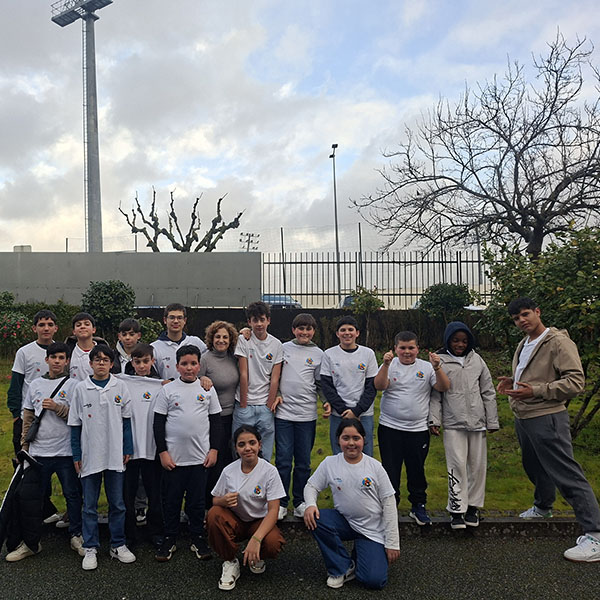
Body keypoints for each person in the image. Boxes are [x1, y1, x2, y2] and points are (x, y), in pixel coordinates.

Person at [498, 297, 600, 562]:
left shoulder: (558, 342)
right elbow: (535, 375)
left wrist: (536, 390)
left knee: (566, 473)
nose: (522, 321)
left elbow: (575, 382)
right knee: (534, 466)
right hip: (524, 416)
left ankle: (595, 534)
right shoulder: (524, 343)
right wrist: (514, 381)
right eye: (516, 318)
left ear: (537, 312)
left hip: (547, 417)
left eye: (525, 314)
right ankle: (543, 507)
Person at [6, 343, 83, 562]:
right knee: (31, 498)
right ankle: (31, 543)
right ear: (47, 360)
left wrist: (58, 408)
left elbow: (78, 418)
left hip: (66, 452)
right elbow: (28, 416)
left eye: (61, 358)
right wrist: (24, 447)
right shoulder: (35, 385)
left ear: (67, 361)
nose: (57, 361)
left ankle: (76, 535)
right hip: (39, 453)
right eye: (53, 357)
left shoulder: (75, 386)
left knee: (73, 495)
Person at [304, 418, 400, 590]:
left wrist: (392, 543)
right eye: (346, 438)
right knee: (316, 518)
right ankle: (342, 567)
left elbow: (389, 503)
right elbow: (311, 486)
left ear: (364, 439)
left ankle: (362, 553)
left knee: (373, 581)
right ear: (338, 440)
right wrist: (310, 504)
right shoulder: (330, 463)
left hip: (372, 531)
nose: (351, 443)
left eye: (356, 438)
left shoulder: (375, 467)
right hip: (345, 522)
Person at [68, 345, 136, 570]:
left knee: (118, 504)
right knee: (89, 505)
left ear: (111, 364)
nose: (101, 363)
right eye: (97, 360)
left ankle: (118, 544)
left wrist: (127, 447)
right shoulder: (81, 388)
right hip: (90, 455)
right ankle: (90, 547)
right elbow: (75, 425)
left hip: (115, 455)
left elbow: (126, 421)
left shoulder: (120, 386)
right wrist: (77, 454)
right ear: (90, 363)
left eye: (106, 360)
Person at [152, 344, 222, 562]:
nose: (189, 368)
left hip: (200, 459)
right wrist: (163, 452)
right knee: (171, 501)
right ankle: (170, 538)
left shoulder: (207, 389)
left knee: (196, 502)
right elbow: (158, 424)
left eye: (193, 363)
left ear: (199, 366)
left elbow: (216, 422)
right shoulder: (168, 390)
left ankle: (197, 537)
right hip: (174, 460)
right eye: (184, 364)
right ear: (177, 367)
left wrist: (214, 449)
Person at [374, 331, 449, 526]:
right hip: (390, 427)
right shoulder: (390, 365)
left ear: (417, 349)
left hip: (417, 430)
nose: (407, 352)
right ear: (395, 349)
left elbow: (443, 387)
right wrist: (386, 365)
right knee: (390, 469)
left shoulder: (427, 367)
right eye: (402, 348)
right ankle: (390, 506)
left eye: (411, 348)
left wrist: (437, 367)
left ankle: (418, 506)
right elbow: (379, 385)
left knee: (416, 469)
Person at [429, 322, 498, 529]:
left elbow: (488, 391)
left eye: (464, 341)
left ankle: (473, 508)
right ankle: (457, 509)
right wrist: (434, 420)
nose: (460, 345)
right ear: (448, 340)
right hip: (453, 423)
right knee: (456, 465)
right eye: (455, 341)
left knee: (477, 467)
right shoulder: (439, 361)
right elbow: (435, 394)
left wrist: (492, 420)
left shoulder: (477, 360)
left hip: (477, 423)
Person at [207, 425, 285, 591]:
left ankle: (257, 555)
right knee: (214, 515)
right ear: (236, 448)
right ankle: (230, 560)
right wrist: (223, 501)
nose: (247, 448)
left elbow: (273, 510)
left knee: (273, 543)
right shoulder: (229, 471)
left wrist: (256, 539)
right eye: (241, 444)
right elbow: (214, 500)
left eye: (252, 443)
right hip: (236, 521)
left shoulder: (270, 471)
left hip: (259, 522)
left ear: (260, 445)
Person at [273, 313, 328, 520]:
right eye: (300, 328)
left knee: (303, 462)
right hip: (284, 415)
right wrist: (277, 394)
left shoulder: (319, 354)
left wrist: (325, 401)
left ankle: (299, 502)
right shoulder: (283, 348)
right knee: (283, 461)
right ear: (293, 330)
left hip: (307, 416)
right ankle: (281, 503)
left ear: (313, 331)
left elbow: (320, 384)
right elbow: (274, 376)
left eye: (308, 329)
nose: (304, 332)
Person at [117, 343, 165, 549]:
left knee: (155, 494)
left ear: (153, 361)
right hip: (129, 451)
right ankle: (130, 535)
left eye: (146, 361)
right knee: (127, 495)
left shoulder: (162, 385)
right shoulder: (121, 383)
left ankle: (156, 532)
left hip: (152, 449)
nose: (142, 366)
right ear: (132, 362)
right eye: (138, 362)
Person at [320, 316, 378, 456]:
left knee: (365, 453)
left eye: (350, 330)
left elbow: (371, 386)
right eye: (343, 330)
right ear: (337, 334)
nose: (347, 333)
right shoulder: (329, 354)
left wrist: (357, 411)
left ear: (357, 333)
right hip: (339, 414)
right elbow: (327, 386)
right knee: (339, 453)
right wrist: (343, 411)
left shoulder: (368, 354)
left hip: (363, 414)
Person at [232, 301, 283, 462]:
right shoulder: (244, 340)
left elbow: (274, 378)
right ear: (249, 322)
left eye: (262, 319)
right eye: (255, 320)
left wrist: (268, 405)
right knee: (240, 452)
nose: (259, 324)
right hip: (244, 405)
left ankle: (263, 479)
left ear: (268, 320)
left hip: (265, 407)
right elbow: (244, 373)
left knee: (265, 453)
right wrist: (244, 404)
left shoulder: (276, 345)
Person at [7, 309, 58, 458]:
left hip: (54, 416)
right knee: (24, 460)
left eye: (50, 324)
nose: (46, 328)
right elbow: (15, 385)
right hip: (28, 416)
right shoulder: (24, 352)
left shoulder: (62, 351)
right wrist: (16, 415)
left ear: (56, 328)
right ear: (34, 328)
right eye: (41, 325)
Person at [200, 321, 240, 507]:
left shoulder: (234, 357)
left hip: (234, 416)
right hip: (213, 419)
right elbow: (192, 379)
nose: (221, 340)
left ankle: (228, 501)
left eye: (225, 337)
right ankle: (209, 504)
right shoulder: (205, 359)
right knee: (213, 462)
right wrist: (202, 378)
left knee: (230, 459)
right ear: (211, 338)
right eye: (217, 337)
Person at [151, 303, 207, 380]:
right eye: (172, 317)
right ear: (165, 320)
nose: (176, 321)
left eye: (179, 318)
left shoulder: (196, 342)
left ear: (185, 320)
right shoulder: (154, 348)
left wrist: (203, 377)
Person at [66, 312, 108, 382]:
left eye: (87, 324)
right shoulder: (68, 352)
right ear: (74, 331)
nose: (82, 327)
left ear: (94, 330)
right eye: (78, 325)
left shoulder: (105, 352)